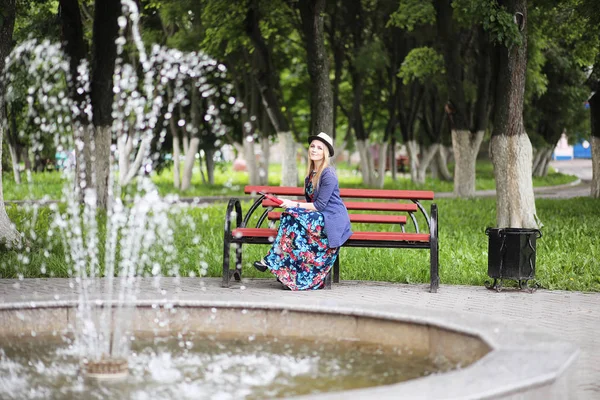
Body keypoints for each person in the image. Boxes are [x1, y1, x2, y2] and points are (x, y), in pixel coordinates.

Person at [253, 132, 352, 290]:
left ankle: (272, 261)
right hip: (320, 217)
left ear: (325, 153)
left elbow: (319, 205)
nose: (314, 150)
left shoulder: (328, 174)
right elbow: (311, 204)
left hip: (332, 219)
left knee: (291, 214)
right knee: (288, 216)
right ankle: (283, 268)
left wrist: (292, 204)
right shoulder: (310, 175)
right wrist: (292, 207)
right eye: (312, 146)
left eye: (319, 148)